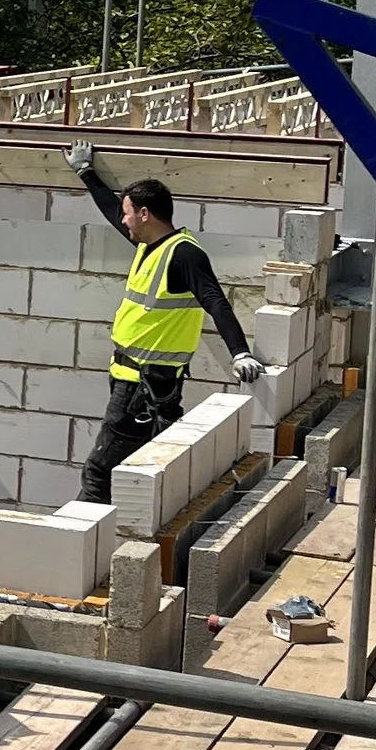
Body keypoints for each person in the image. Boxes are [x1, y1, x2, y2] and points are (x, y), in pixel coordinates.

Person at [64, 142, 260, 504]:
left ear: (144, 213)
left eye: (128, 214)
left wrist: (240, 353)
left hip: (143, 387)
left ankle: (75, 547)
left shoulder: (183, 254)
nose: (122, 221)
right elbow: (111, 210)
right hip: (136, 381)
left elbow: (215, 301)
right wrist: (86, 173)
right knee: (138, 467)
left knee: (99, 471)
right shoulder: (149, 244)